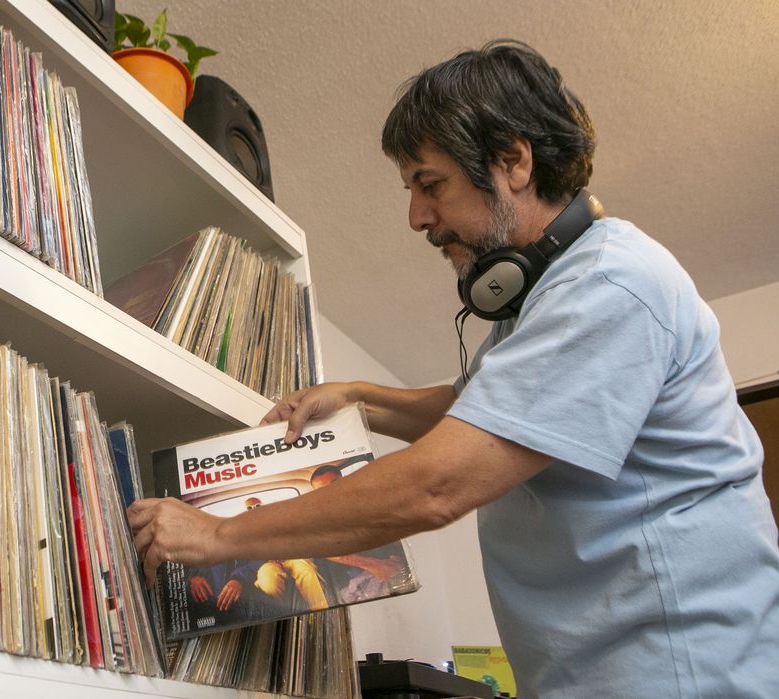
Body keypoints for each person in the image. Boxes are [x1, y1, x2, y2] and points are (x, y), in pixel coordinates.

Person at [129, 39, 779, 697]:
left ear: (513, 161)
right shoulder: (541, 303)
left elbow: (439, 481)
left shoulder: (611, 285)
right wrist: (360, 399)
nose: (417, 216)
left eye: (429, 184)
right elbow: (477, 410)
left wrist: (216, 534)